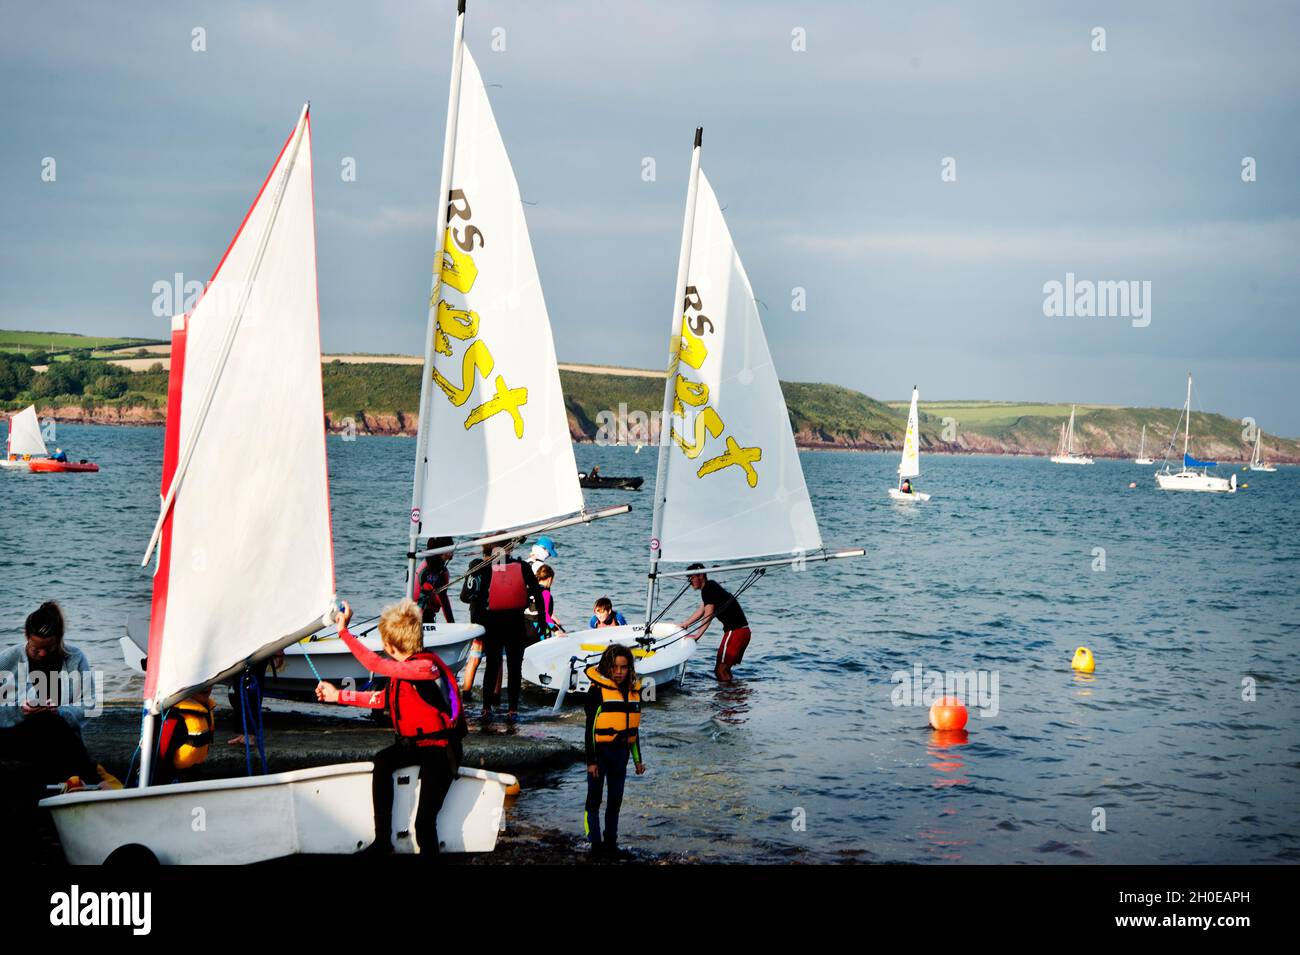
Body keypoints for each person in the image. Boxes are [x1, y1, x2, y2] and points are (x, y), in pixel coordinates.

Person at [316, 599, 464, 858]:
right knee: (383, 761)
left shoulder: (424, 667)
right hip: (415, 745)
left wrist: (343, 632)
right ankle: (383, 840)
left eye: (385, 648)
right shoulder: (404, 673)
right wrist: (337, 695)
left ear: (390, 646)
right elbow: (382, 699)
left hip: (442, 751)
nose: (383, 654)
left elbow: (374, 664)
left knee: (424, 824)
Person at [0, 602, 108, 789]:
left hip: (56, 736)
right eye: (35, 648)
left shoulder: (75, 658)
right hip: (14, 736)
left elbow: (90, 705)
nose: (42, 654)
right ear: (26, 636)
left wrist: (60, 711)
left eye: (48, 648)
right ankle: (94, 781)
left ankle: (81, 782)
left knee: (51, 721)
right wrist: (20, 710)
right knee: (48, 722)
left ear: (59, 638)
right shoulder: (7, 659)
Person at [583, 644, 645, 860]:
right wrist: (591, 761)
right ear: (606, 667)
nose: (619, 672)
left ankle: (611, 842)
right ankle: (595, 844)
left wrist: (638, 760)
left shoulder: (634, 693)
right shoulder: (596, 692)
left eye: (624, 667)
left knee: (615, 799)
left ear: (630, 669)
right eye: (615, 667)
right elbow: (590, 729)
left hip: (621, 755)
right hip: (600, 754)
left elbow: (634, 730)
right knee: (594, 798)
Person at [480, 544, 544, 724]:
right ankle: (511, 710)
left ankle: (487, 708)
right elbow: (537, 593)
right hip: (514, 623)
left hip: (495, 624)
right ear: (510, 549)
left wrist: (478, 624)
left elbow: (479, 599)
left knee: (493, 667)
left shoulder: (488, 568)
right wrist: (542, 619)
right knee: (514, 669)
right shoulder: (522, 566)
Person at [679, 564, 751, 682]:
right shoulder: (710, 587)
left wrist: (697, 635)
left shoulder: (709, 587)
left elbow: (708, 614)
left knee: (720, 670)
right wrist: (685, 623)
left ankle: (727, 698)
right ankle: (733, 695)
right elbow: (702, 610)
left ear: (700, 575)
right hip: (743, 632)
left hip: (736, 632)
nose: (689, 581)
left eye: (691, 577)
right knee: (724, 669)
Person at [152, 689, 216, 785]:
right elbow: (159, 757)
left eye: (209, 682)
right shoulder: (171, 715)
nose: (207, 687)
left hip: (193, 771)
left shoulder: (205, 709)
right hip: (170, 777)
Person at [415, 537, 456, 625]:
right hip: (420, 616)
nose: (453, 551)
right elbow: (443, 600)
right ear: (442, 551)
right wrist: (452, 624)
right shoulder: (433, 571)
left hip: (420, 614)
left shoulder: (429, 563)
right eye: (451, 549)